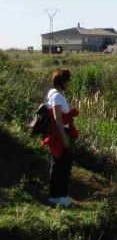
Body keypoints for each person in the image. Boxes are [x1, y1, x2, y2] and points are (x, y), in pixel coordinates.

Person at [42, 69, 79, 208]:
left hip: (59, 133)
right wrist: (64, 138)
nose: (69, 83)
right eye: (68, 80)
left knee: (60, 164)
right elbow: (58, 118)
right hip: (60, 135)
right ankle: (58, 197)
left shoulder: (52, 93)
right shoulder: (56, 96)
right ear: (63, 81)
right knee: (62, 166)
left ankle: (59, 195)